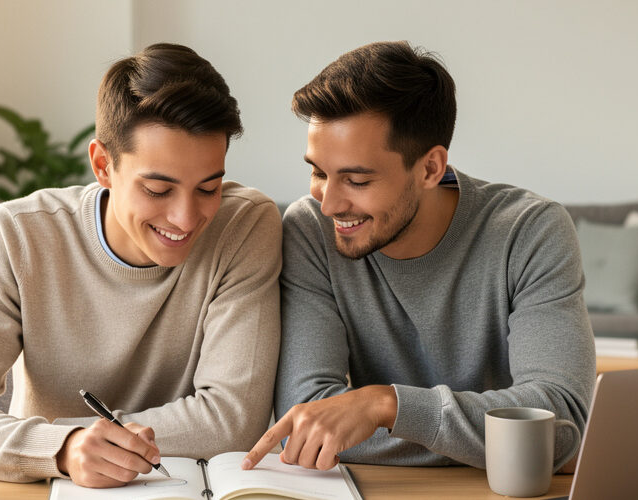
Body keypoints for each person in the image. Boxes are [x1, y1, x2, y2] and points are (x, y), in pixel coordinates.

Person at [0, 43, 282, 487]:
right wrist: (64, 447)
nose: (187, 219)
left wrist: (85, 439)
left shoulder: (244, 226)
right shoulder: (19, 235)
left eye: (208, 188)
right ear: (103, 165)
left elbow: (233, 419)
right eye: (158, 190)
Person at [243, 41, 595, 472]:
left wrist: (385, 406)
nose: (329, 203)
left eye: (355, 180)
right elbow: (307, 421)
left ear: (431, 168)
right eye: (318, 172)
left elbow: (561, 424)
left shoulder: (531, 231)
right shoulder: (309, 230)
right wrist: (488, 441)